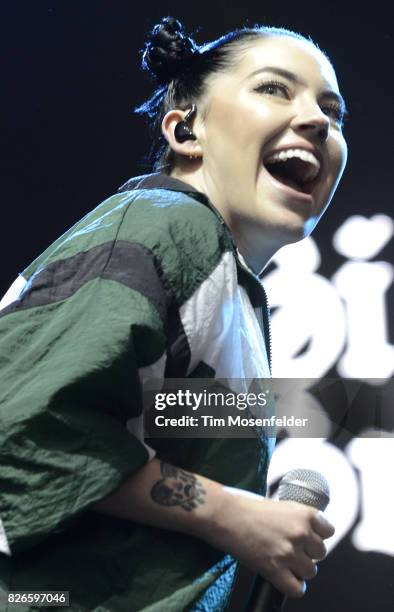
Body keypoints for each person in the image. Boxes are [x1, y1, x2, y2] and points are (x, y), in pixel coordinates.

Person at [0, 16, 347, 612]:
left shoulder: (222, 281)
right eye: (273, 88)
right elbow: (25, 426)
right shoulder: (169, 223)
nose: (318, 120)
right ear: (186, 130)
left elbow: (144, 416)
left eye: (334, 111)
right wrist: (234, 513)